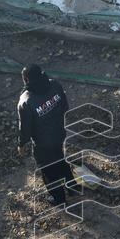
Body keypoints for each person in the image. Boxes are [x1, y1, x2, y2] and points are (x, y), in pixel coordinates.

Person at [17, 65, 77, 204]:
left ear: (26, 79)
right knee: (60, 159)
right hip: (59, 133)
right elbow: (65, 106)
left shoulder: (26, 101)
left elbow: (26, 127)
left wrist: (21, 143)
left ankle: (59, 198)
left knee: (48, 170)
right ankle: (72, 187)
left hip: (43, 142)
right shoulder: (54, 84)